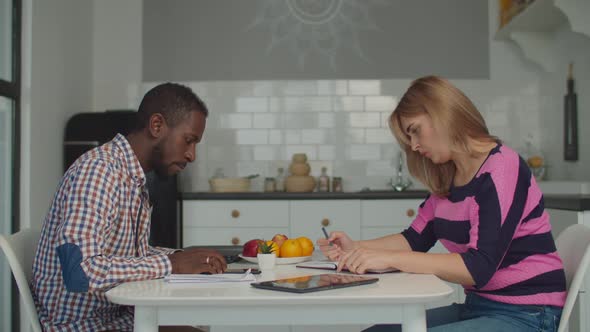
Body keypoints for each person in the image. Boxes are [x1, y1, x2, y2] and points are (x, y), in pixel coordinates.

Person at [318, 76, 566, 331]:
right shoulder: (450, 178)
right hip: (478, 307)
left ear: (442, 114)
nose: (413, 145)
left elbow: (477, 268)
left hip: (528, 314)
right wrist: (356, 248)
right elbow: (414, 239)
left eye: (415, 130)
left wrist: (389, 258)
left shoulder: (502, 168)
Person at [31, 83, 227, 332]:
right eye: (188, 141)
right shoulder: (99, 171)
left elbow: (124, 256)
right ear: (157, 126)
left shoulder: (131, 178)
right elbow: (79, 271)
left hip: (115, 317)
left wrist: (185, 256)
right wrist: (172, 264)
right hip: (82, 326)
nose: (192, 155)